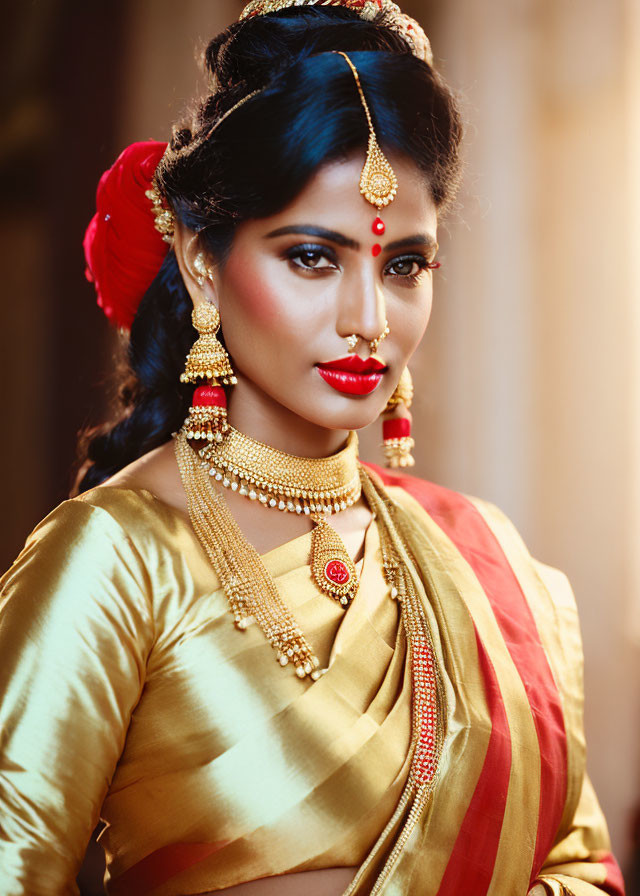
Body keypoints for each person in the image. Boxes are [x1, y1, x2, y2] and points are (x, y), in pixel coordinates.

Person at [0, 2, 626, 895]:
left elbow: (578, 868)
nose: (368, 321)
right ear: (202, 262)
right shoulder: (113, 561)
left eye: (404, 265)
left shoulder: (488, 563)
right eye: (311, 257)